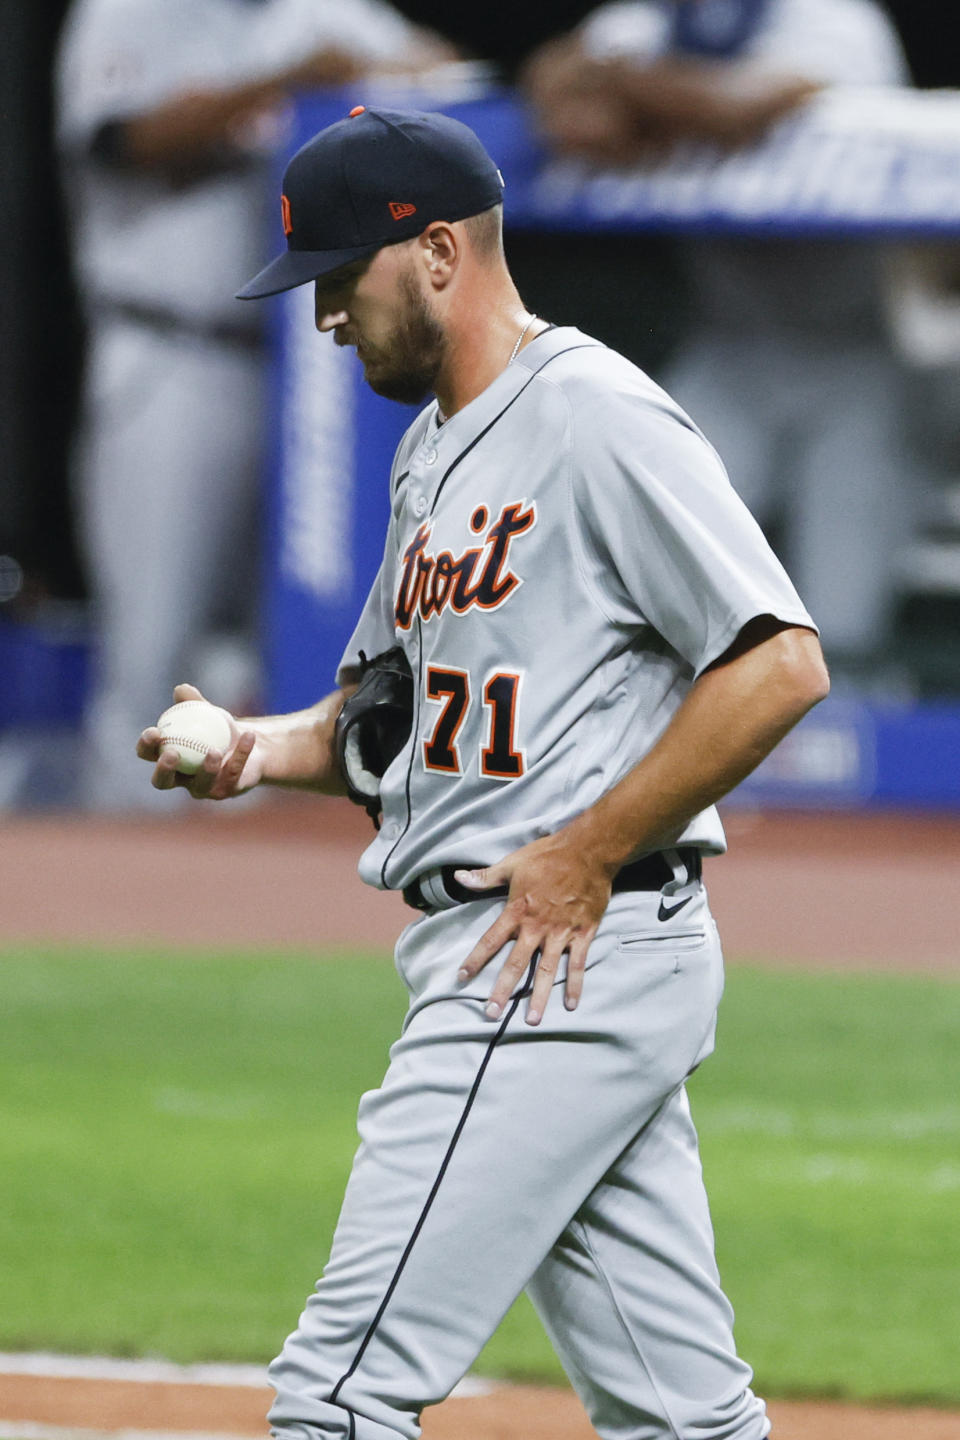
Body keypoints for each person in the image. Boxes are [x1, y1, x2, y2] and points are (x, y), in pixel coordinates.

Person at [138, 106, 829, 1440]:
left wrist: (581, 852)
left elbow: (777, 664)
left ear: (439, 250)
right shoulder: (433, 453)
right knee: (683, 1418)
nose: (326, 314)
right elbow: (390, 721)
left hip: (548, 957)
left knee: (335, 1397)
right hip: (561, 951)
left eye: (343, 277)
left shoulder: (592, 414)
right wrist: (243, 748)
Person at [55, 0, 449, 810]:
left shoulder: (318, 13)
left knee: (282, 659)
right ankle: (117, 887)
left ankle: (246, 906)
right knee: (154, 658)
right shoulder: (131, 12)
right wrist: (283, 83)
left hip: (313, 377)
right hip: (171, 352)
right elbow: (120, 140)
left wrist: (378, 87)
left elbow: (456, 86)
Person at [521, 0, 914, 691]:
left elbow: (739, 110)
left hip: (851, 356)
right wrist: (664, 96)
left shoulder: (836, 21)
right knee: (638, 575)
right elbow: (557, 97)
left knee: (844, 631)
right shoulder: (650, 25)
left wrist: (636, 89)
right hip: (732, 351)